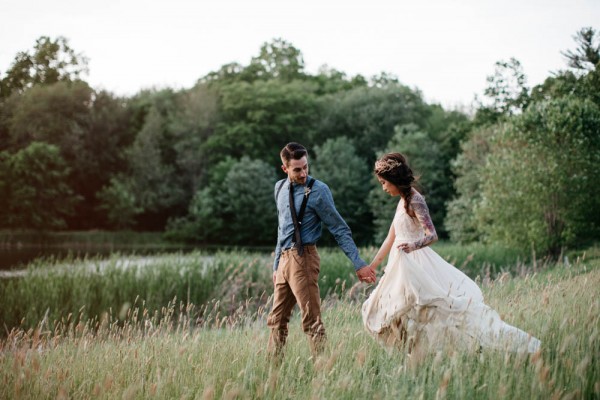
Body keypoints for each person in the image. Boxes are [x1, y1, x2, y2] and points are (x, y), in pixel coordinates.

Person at [362, 153, 541, 354]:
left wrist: (413, 246)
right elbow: (389, 239)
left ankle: (492, 345)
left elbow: (432, 235)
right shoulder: (401, 201)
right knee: (378, 310)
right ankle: (412, 353)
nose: (383, 187)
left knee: (433, 311)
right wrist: (372, 266)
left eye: (384, 183)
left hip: (416, 264)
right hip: (399, 265)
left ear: (394, 179)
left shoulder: (415, 200)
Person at [267, 142, 376, 360]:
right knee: (276, 320)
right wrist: (276, 265)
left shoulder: (318, 190)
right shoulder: (279, 188)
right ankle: (272, 373)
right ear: (285, 169)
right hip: (284, 260)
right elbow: (281, 229)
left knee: (311, 320)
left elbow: (339, 229)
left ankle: (324, 373)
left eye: (306, 167)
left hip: (304, 259)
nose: (303, 173)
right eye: (297, 169)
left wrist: (359, 263)